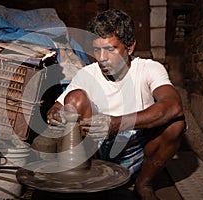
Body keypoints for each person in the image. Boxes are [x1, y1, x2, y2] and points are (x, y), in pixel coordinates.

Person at [46, 9, 186, 200]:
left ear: (129, 47)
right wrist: (54, 114)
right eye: (97, 50)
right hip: (97, 152)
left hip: (138, 153)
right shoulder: (87, 74)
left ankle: (143, 183)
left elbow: (173, 106)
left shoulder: (148, 69)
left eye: (110, 49)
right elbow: (58, 107)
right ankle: (87, 177)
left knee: (175, 124)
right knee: (74, 99)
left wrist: (118, 123)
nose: (102, 57)